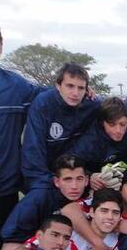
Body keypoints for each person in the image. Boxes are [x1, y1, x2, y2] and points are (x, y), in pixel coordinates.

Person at [0, 17, 45, 250]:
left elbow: (51, 98)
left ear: (1, 46)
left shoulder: (15, 85)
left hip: (6, 188)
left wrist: (86, 94)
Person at [22, 63, 100, 191]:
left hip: (76, 181)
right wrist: (45, 187)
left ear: (87, 90)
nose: (75, 93)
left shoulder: (92, 105)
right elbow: (33, 153)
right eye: (70, 86)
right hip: (45, 181)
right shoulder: (43, 104)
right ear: (58, 86)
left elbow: (114, 110)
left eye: (80, 88)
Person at [0, 155, 89, 250]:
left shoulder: (89, 195)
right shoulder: (38, 198)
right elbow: (8, 247)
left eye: (79, 179)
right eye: (67, 179)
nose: (74, 186)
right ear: (56, 181)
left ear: (86, 180)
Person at [67, 97, 127, 187]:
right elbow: (69, 162)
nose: (118, 130)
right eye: (112, 124)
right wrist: (89, 177)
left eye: (122, 124)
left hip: (114, 179)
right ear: (102, 123)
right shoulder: (90, 141)